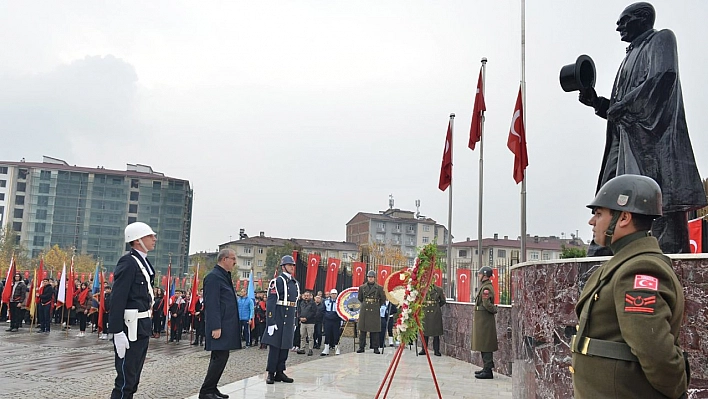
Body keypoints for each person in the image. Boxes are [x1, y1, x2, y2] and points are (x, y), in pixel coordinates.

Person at [578, 2, 706, 254]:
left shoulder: (661, 39)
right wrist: (598, 102)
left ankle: (662, 254)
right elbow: (621, 107)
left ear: (643, 18)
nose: (618, 26)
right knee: (613, 192)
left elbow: (662, 77)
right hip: (623, 140)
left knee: (657, 203)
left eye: (623, 20)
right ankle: (606, 248)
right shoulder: (629, 56)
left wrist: (620, 107)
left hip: (654, 143)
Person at [571, 174, 687, 398]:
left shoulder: (640, 269)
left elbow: (654, 351)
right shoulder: (623, 263)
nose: (592, 221)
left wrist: (676, 391)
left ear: (623, 218)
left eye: (599, 213)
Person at [109, 221, 157, 399]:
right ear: (137, 240)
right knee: (125, 380)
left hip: (142, 325)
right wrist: (117, 331)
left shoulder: (142, 262)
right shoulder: (128, 262)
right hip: (130, 328)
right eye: (150, 236)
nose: (154, 239)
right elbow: (117, 298)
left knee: (134, 378)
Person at [198, 249, 241, 399]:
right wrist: (215, 326)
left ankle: (212, 387)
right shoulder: (213, 277)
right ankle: (206, 391)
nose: (235, 262)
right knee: (219, 357)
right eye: (233, 258)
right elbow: (212, 304)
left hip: (226, 324)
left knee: (221, 356)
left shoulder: (224, 276)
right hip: (219, 325)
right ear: (224, 259)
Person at [261, 255, 300, 384]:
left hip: (289, 318)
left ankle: (280, 372)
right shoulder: (276, 282)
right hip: (278, 317)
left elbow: (295, 303)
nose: (292, 267)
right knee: (275, 347)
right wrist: (270, 322)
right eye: (289, 265)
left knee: (285, 347)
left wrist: (295, 320)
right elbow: (271, 303)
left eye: (293, 265)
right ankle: (271, 373)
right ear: (283, 267)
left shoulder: (295, 283)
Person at [471, 266, 498, 380]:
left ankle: (488, 371)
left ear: (485, 275)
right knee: (483, 344)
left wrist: (494, 309)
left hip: (485, 321)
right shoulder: (485, 287)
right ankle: (485, 367)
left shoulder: (487, 288)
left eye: (480, 274)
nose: (479, 275)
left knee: (486, 344)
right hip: (483, 320)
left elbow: (487, 304)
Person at [357, 270, 386, 354]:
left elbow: (383, 299)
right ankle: (361, 347)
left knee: (375, 330)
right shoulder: (362, 287)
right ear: (367, 278)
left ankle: (375, 347)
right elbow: (360, 298)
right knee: (362, 330)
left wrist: (377, 305)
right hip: (365, 310)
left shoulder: (379, 288)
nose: (370, 278)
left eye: (372, 277)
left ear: (374, 278)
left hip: (374, 310)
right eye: (369, 277)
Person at [419, 284, 446, 356]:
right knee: (425, 332)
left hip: (435, 313)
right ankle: (424, 349)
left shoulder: (439, 290)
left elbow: (443, 301)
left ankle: (436, 350)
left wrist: (437, 306)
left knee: (436, 333)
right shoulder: (422, 289)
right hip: (425, 312)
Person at [321, 289, 343, 356]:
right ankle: (326, 349)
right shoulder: (326, 301)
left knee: (336, 334)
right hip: (328, 321)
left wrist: (341, 320)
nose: (333, 295)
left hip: (336, 321)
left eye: (335, 294)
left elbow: (341, 311)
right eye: (332, 294)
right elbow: (323, 310)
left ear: (337, 295)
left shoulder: (339, 302)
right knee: (327, 334)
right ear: (330, 294)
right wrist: (325, 318)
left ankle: (337, 348)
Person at [296, 291, 317, 356]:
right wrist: (300, 317)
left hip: (310, 322)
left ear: (310, 296)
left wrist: (306, 318)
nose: (306, 297)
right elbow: (299, 311)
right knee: (302, 336)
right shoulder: (301, 303)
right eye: (305, 295)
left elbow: (313, 313)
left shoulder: (313, 303)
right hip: (302, 322)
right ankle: (302, 348)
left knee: (310, 336)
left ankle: (310, 349)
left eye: (307, 296)